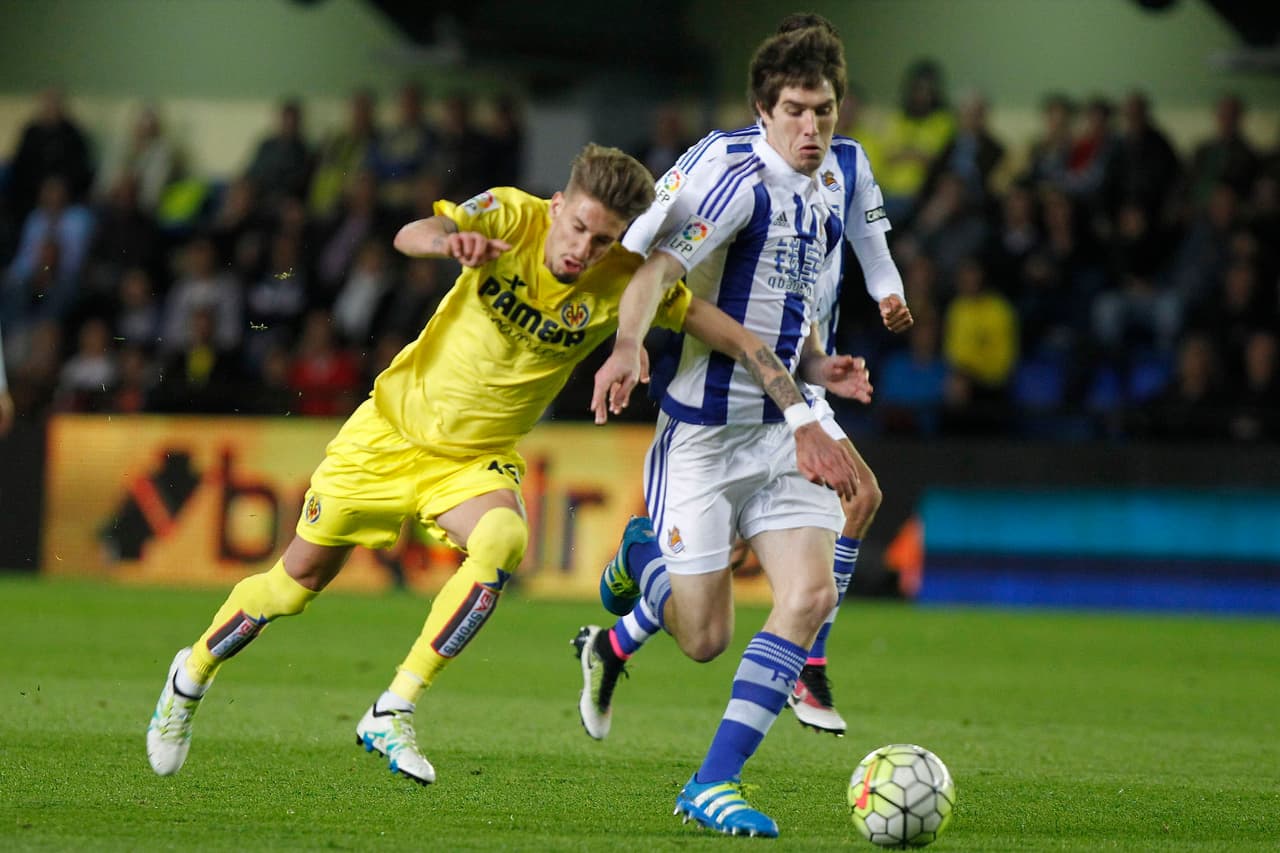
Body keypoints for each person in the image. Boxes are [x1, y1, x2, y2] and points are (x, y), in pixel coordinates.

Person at [145, 142, 859, 788]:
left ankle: (393, 707)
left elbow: (723, 329)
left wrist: (802, 384)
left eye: (604, 237)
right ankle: (190, 674)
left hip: (474, 461)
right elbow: (409, 233)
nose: (584, 247)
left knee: (502, 540)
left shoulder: (624, 281)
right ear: (558, 207)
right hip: (387, 436)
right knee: (294, 583)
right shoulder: (511, 220)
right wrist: (448, 240)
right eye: (578, 226)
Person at [583, 12, 913, 743]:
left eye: (823, 110)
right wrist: (626, 338)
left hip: (790, 396)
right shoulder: (725, 171)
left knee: (856, 498)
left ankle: (801, 665)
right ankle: (640, 560)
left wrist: (825, 359)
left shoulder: (840, 171)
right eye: (794, 110)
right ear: (763, 109)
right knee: (703, 635)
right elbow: (648, 258)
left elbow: (801, 285)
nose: (811, 126)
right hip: (710, 414)